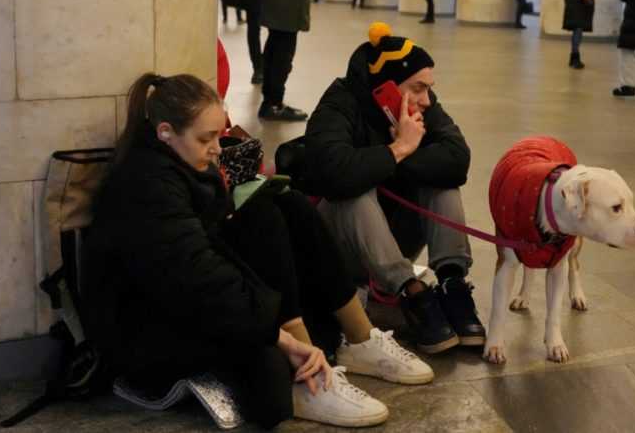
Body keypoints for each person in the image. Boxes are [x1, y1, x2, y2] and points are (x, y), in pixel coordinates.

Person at [83, 73, 437, 430]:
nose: (217, 149)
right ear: (165, 132)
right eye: (206, 138)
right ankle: (305, 377)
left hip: (187, 297)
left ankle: (358, 339)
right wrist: (276, 336)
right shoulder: (146, 185)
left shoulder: (179, 163)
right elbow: (198, 278)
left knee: (286, 207)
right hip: (145, 333)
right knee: (262, 352)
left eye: (218, 136)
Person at [299, 22, 485, 355]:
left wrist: (404, 155)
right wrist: (397, 149)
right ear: (385, 87)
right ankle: (412, 291)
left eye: (429, 88)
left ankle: (452, 282)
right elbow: (335, 173)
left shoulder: (421, 106)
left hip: (393, 234)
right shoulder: (339, 104)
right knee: (353, 191)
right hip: (341, 244)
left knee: (442, 182)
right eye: (417, 88)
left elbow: (458, 159)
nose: (426, 100)